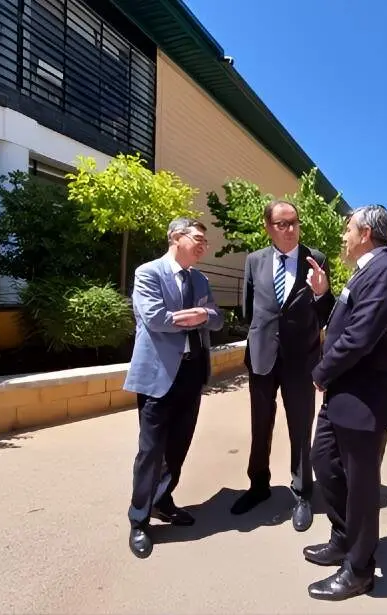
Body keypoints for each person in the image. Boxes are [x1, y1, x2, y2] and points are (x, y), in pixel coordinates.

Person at [304, 204, 387, 601]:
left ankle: (360, 569)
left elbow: (359, 338)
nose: (343, 236)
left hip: (364, 399)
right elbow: (343, 321)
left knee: (362, 486)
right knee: (325, 462)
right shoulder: (366, 272)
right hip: (343, 394)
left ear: (366, 232)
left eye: (348, 229)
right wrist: (322, 295)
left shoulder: (386, 273)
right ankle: (344, 539)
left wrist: (320, 372)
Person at [124, 217, 225, 559]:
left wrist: (197, 315)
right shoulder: (148, 273)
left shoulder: (200, 278)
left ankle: (163, 501)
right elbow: (154, 318)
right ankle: (139, 521)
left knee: (178, 448)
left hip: (191, 374)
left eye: (205, 241)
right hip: (158, 376)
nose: (203, 245)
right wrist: (198, 315)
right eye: (198, 238)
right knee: (151, 452)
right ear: (176, 238)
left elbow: (217, 317)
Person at [231, 199, 334, 532]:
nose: (290, 229)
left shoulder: (315, 259)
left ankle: (303, 492)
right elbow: (248, 309)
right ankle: (258, 485)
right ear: (268, 227)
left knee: (301, 428)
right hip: (262, 357)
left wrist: (322, 294)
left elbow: (325, 314)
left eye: (294, 223)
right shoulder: (254, 261)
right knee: (260, 425)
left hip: (301, 360)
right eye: (282, 224)